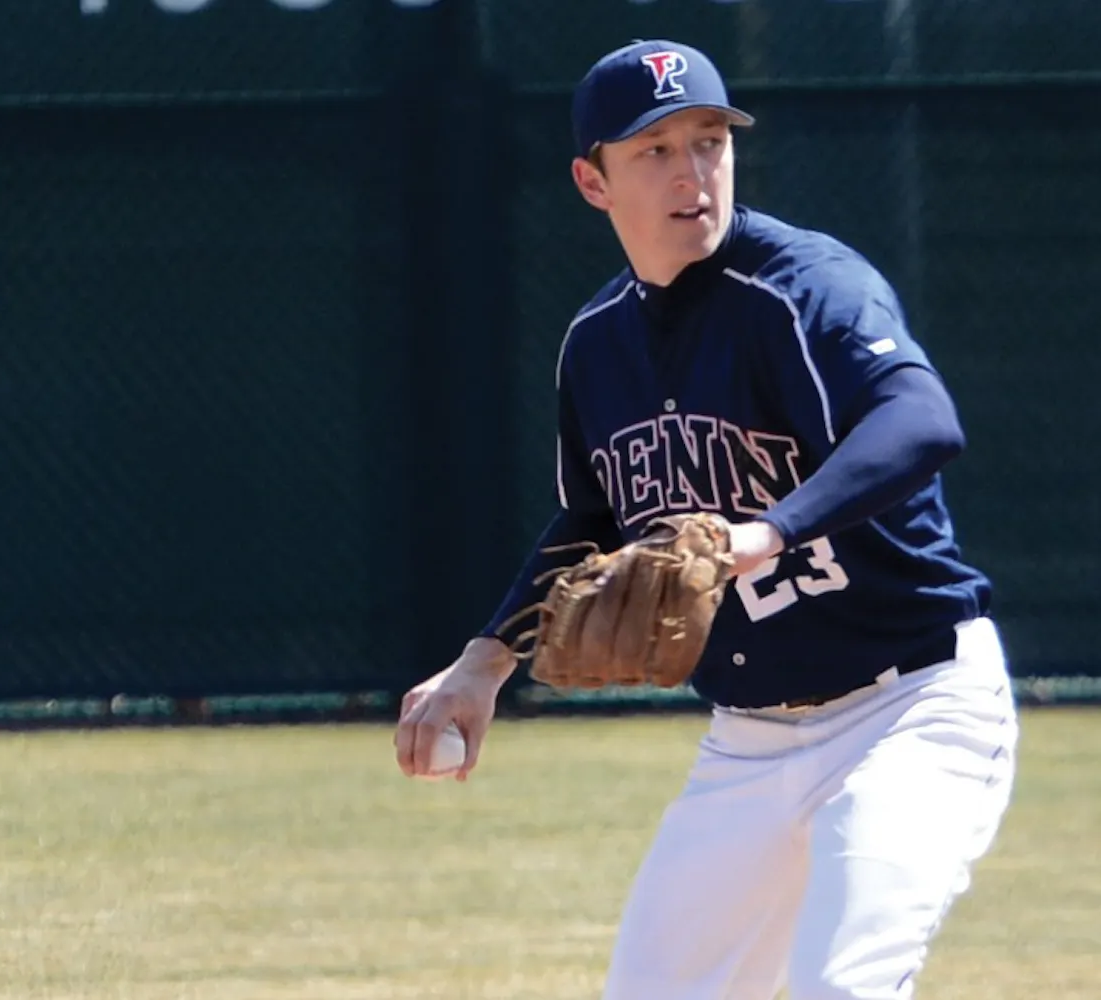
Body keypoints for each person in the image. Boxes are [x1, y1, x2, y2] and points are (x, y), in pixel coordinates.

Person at [394, 38, 1019, 1000]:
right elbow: (593, 518)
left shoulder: (806, 288)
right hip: (751, 737)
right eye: (654, 151)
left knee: (842, 987)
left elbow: (921, 418)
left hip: (912, 707)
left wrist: (764, 532)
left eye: (710, 141)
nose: (693, 174)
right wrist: (485, 662)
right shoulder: (596, 345)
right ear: (592, 182)